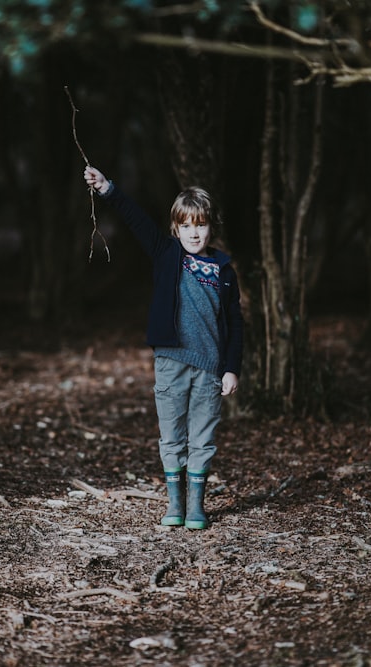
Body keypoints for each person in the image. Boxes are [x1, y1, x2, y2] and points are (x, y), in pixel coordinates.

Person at [83, 165, 244, 530]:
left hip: (210, 366)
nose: (193, 232)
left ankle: (196, 507)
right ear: (175, 228)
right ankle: (175, 503)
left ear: (210, 227)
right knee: (172, 433)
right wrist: (108, 188)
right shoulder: (167, 255)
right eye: (185, 225)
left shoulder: (223, 270)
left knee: (203, 436)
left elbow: (235, 323)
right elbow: (135, 219)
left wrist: (232, 367)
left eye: (200, 225)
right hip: (170, 360)